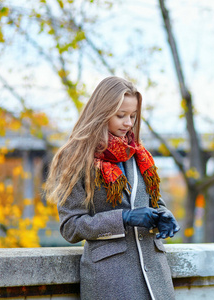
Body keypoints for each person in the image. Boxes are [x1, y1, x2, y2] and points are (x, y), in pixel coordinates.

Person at [45, 76, 180, 300]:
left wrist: (163, 215)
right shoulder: (76, 158)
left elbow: (153, 203)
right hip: (110, 283)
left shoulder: (138, 154)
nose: (128, 123)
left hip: (156, 281)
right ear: (102, 112)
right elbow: (70, 227)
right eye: (121, 115)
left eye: (133, 116)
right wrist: (124, 218)